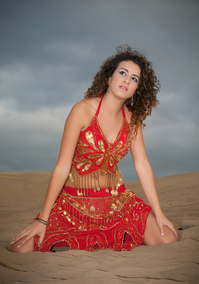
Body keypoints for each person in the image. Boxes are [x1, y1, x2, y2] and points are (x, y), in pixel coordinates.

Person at [11, 45, 178, 253]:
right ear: (109, 78)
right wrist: (42, 219)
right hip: (74, 206)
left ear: (137, 89)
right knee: (20, 248)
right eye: (123, 73)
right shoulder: (82, 110)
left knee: (168, 237)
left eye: (134, 79)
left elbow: (142, 164)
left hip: (117, 204)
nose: (127, 80)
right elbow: (62, 166)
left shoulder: (132, 121)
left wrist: (159, 212)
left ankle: (117, 236)